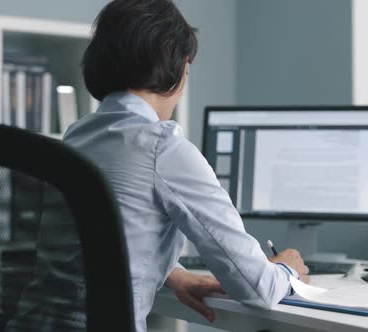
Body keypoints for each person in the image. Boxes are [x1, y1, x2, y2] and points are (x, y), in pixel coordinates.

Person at [61, 1, 310, 331]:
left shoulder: (75, 137)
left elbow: (92, 253)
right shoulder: (162, 146)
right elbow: (256, 287)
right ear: (176, 69)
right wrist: (287, 268)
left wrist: (174, 274)